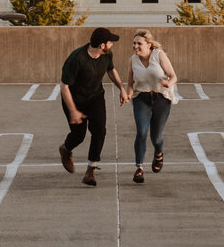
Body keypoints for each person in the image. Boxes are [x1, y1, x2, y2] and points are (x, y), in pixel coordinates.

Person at [58, 27, 127, 186]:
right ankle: (66, 149)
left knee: (99, 131)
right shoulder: (77, 59)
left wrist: (122, 89)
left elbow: (111, 70)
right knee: (79, 135)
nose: (112, 45)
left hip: (95, 97)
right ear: (102, 45)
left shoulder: (107, 54)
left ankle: (91, 170)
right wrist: (73, 111)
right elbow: (64, 86)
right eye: (110, 42)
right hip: (75, 100)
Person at [125, 28, 178, 183]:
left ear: (149, 45)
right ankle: (139, 168)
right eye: (134, 43)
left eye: (139, 44)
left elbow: (174, 76)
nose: (135, 46)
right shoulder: (132, 60)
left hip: (161, 98)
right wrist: (127, 95)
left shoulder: (159, 55)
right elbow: (130, 83)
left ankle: (158, 153)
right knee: (141, 132)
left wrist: (168, 83)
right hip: (141, 98)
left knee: (156, 138)